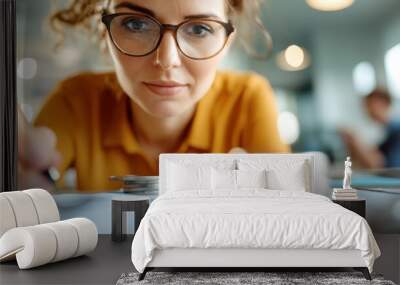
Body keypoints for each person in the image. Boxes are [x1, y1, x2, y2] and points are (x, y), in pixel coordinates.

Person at [18, 0, 289, 192]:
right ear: (105, 33)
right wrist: (24, 175)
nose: (167, 60)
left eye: (199, 29)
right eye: (136, 24)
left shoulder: (248, 98)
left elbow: (288, 205)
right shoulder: (76, 99)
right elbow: (33, 176)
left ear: (225, 44)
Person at [340, 88, 400, 169]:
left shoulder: (396, 129)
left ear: (384, 103)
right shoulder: (385, 130)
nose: (366, 110)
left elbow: (378, 165)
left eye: (369, 105)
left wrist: (355, 141)